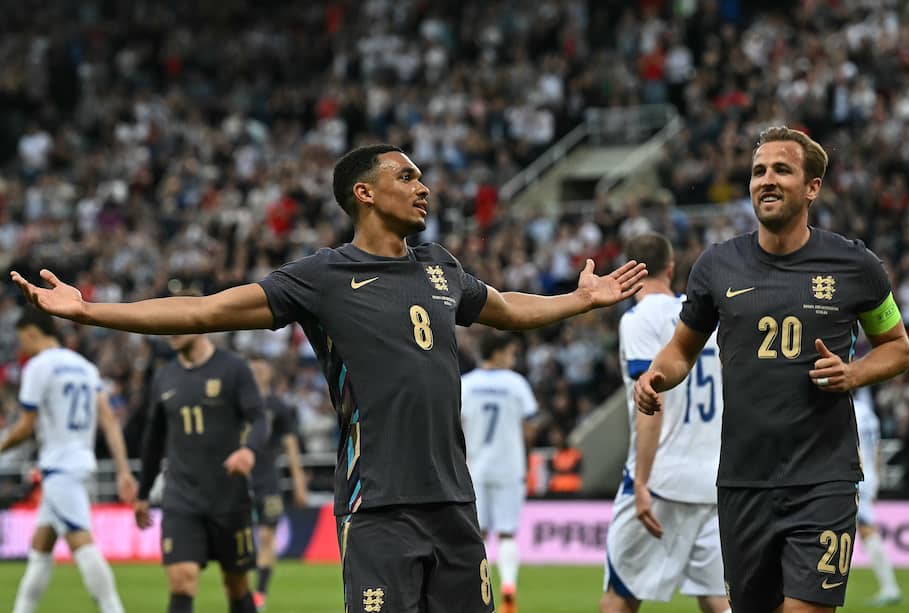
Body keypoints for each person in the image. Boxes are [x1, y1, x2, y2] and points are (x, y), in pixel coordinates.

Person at [11, 143, 647, 613]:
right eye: (407, 176)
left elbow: (509, 309)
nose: (424, 187)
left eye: (422, 177)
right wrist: (90, 310)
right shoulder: (322, 278)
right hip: (379, 506)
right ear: (363, 194)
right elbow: (204, 310)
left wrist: (578, 301)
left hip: (455, 501)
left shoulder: (440, 266)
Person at [634, 126, 909, 613]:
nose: (767, 179)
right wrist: (656, 376)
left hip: (823, 478)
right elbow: (680, 350)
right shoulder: (717, 266)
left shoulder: (855, 265)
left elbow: (898, 348)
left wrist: (854, 373)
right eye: (759, 171)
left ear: (812, 187)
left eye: (782, 170)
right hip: (743, 482)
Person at [602, 233, 729, 613]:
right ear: (671, 269)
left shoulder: (639, 319)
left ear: (629, 272)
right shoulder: (704, 318)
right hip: (714, 480)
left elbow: (651, 400)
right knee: (717, 599)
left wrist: (641, 481)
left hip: (662, 479)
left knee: (620, 597)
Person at [1, 308, 137, 613]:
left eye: (22, 339)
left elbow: (25, 427)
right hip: (79, 462)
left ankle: (114, 609)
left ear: (32, 333)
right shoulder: (85, 367)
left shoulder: (38, 367)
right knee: (40, 548)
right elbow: (109, 421)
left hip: (59, 467)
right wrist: (123, 470)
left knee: (82, 543)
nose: (21, 347)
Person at [133, 318, 269, 613]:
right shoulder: (164, 377)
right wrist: (143, 494)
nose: (170, 330)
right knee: (181, 581)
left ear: (200, 322)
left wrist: (249, 451)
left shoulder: (234, 368)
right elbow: (153, 443)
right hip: (181, 497)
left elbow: (259, 418)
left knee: (236, 584)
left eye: (178, 321)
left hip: (229, 497)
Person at [460, 331, 538, 613]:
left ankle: (478, 591)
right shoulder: (516, 384)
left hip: (475, 468)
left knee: (476, 534)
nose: (513, 359)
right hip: (510, 467)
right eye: (510, 353)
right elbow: (529, 427)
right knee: (507, 533)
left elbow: (455, 426)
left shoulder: (466, 384)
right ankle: (508, 591)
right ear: (498, 353)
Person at [247, 357, 310, 612]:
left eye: (261, 368)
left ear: (270, 373)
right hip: (237, 480)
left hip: (267, 480)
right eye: (253, 368)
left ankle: (260, 593)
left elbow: (291, 445)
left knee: (266, 535)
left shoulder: (278, 407)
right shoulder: (238, 401)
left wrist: (299, 483)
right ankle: (241, 590)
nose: (257, 372)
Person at [852, 386, 902, 606]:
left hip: (856, 476)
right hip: (869, 475)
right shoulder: (868, 412)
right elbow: (877, 448)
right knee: (865, 529)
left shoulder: (849, 410)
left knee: (866, 528)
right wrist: (876, 479)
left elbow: (852, 447)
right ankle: (889, 587)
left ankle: (890, 588)